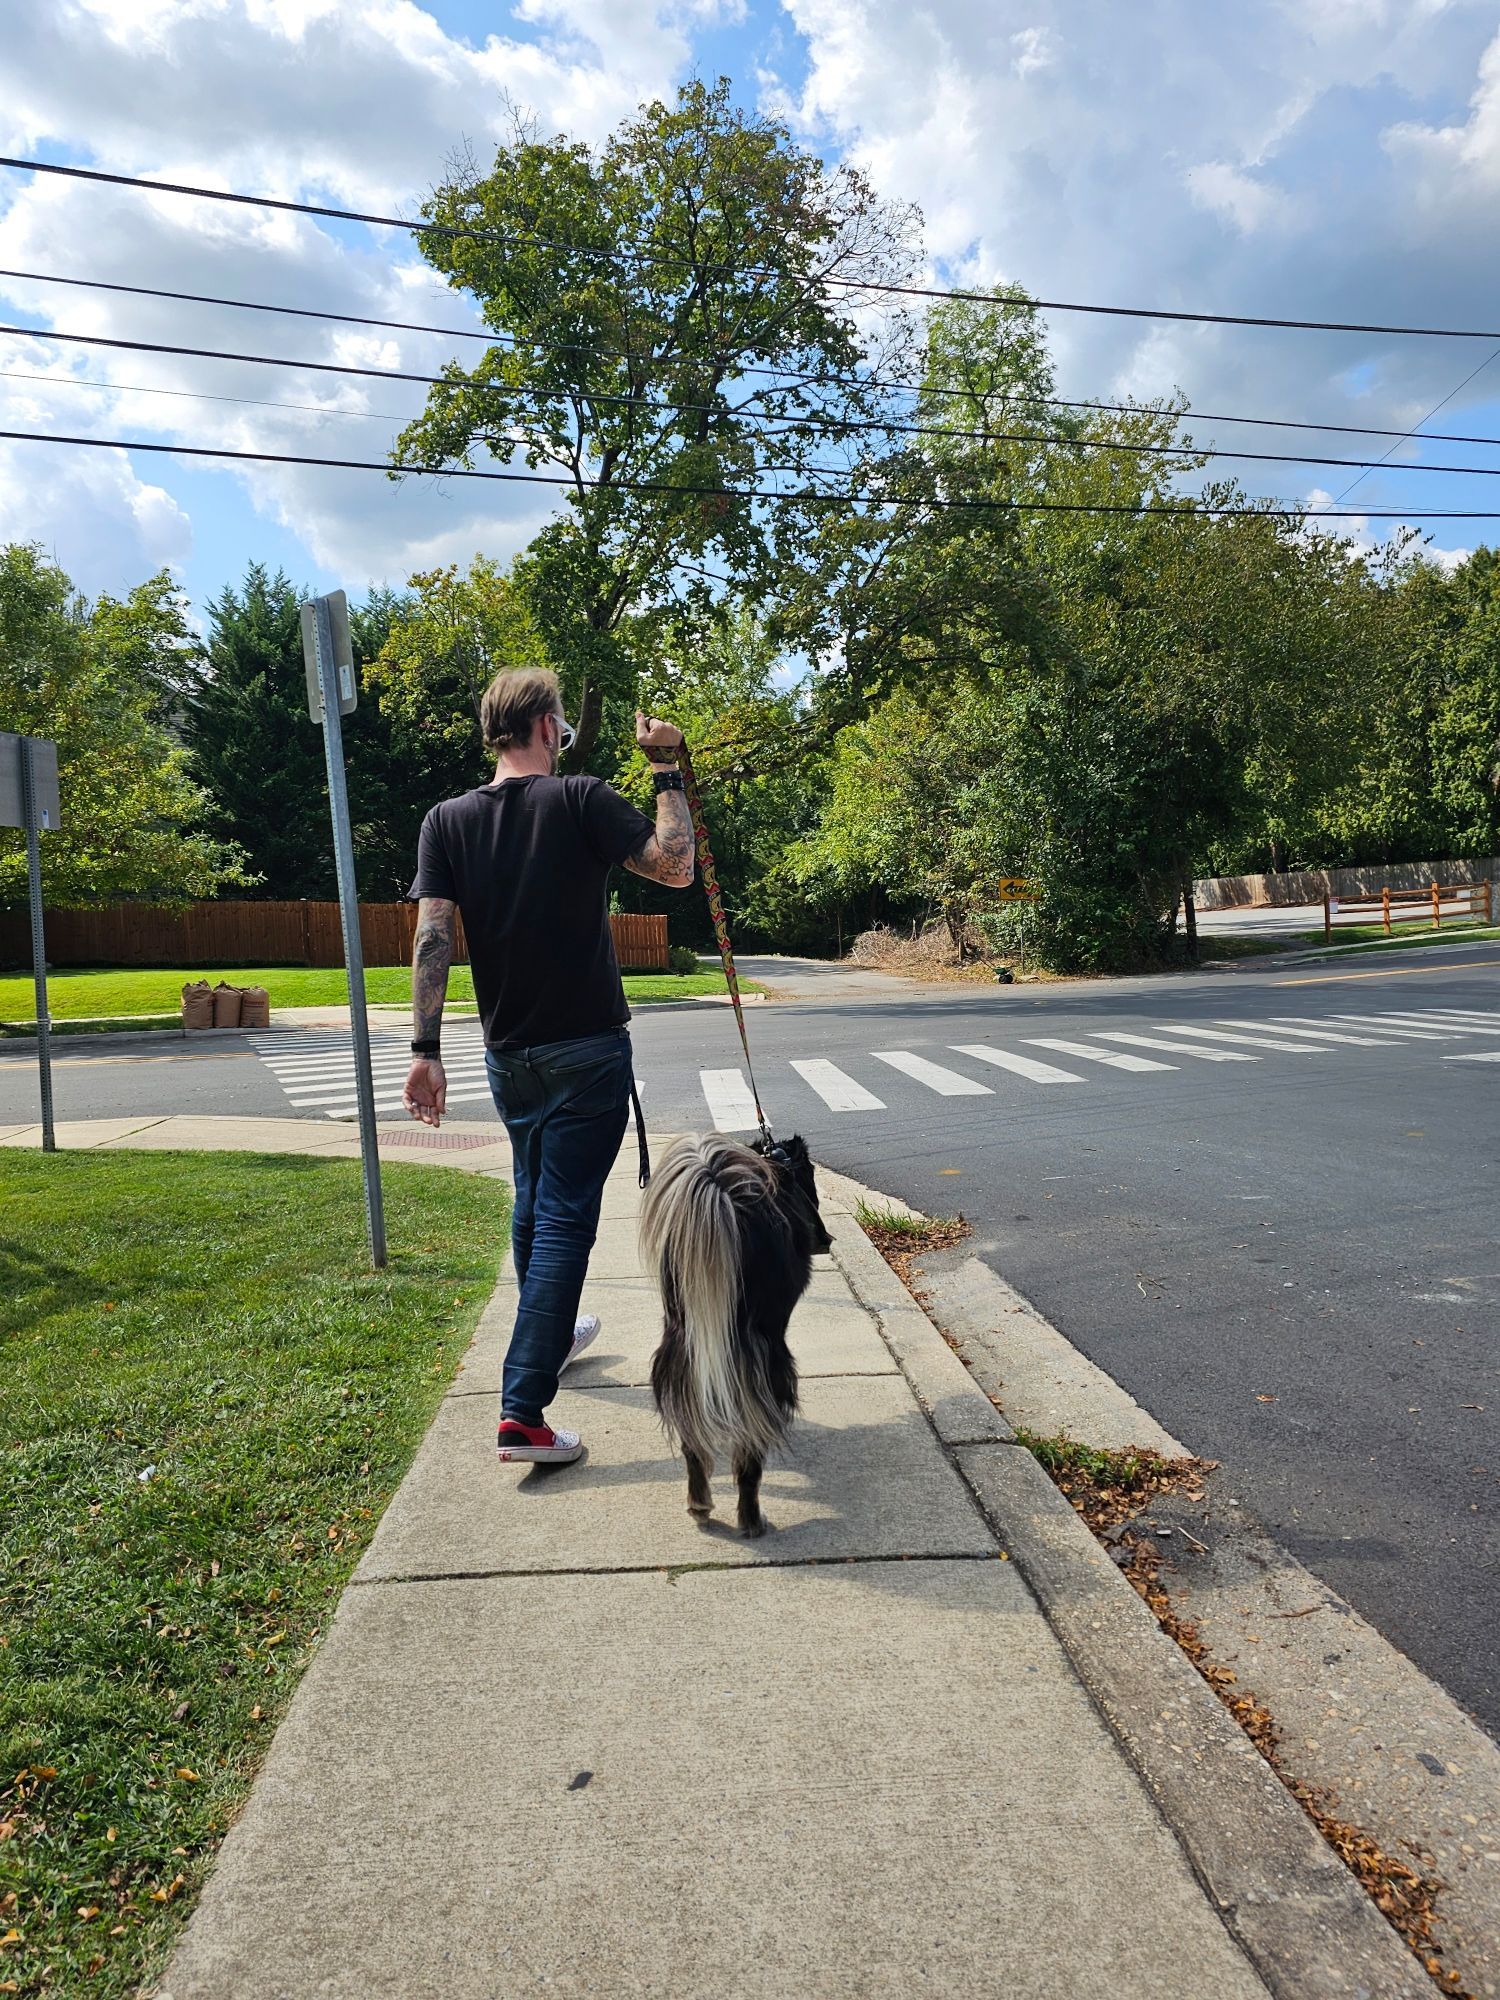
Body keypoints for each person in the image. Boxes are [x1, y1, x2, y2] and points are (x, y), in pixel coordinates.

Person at [402, 667, 694, 1465]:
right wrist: (667, 768)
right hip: (588, 1049)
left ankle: (554, 1329)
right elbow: (675, 868)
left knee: (533, 1202)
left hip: (508, 1054)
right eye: (560, 728)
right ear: (541, 729)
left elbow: (432, 940)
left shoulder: (445, 821)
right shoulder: (582, 800)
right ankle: (522, 1411)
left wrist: (425, 1051)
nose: (563, 741)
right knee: (564, 1216)